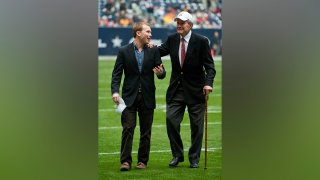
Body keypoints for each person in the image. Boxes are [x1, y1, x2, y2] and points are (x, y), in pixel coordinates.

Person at [157, 11, 216, 168]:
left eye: (182, 22)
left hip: (197, 90)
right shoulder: (172, 39)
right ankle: (177, 155)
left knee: (197, 127)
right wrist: (146, 46)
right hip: (176, 89)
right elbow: (158, 52)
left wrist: (208, 83)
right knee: (171, 120)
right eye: (177, 22)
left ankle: (194, 157)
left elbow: (210, 67)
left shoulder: (201, 41)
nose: (179, 25)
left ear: (190, 25)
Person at [111, 22, 166, 171]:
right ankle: (125, 162)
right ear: (138, 33)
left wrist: (161, 73)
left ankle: (142, 161)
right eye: (148, 32)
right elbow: (116, 74)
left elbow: (162, 72)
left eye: (151, 32)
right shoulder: (123, 51)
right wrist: (115, 92)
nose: (150, 35)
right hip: (128, 97)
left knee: (146, 131)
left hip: (147, 96)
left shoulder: (154, 51)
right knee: (128, 128)